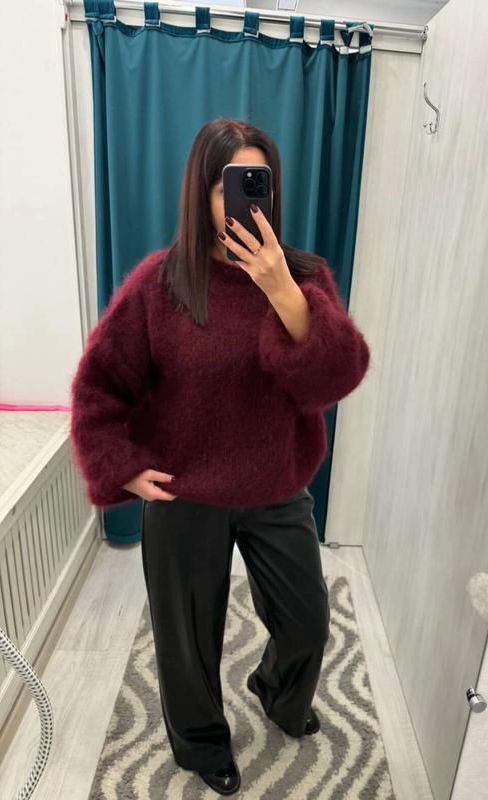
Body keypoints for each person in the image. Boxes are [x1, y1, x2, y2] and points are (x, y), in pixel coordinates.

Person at [69, 118, 371, 795]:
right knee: (186, 641)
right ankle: (202, 744)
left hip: (276, 486)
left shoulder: (303, 277)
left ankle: (278, 692)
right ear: (202, 194)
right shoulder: (161, 284)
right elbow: (100, 385)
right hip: (185, 493)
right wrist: (121, 465)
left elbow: (336, 377)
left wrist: (282, 291)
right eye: (230, 186)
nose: (247, 200)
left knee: (307, 622)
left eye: (260, 183)